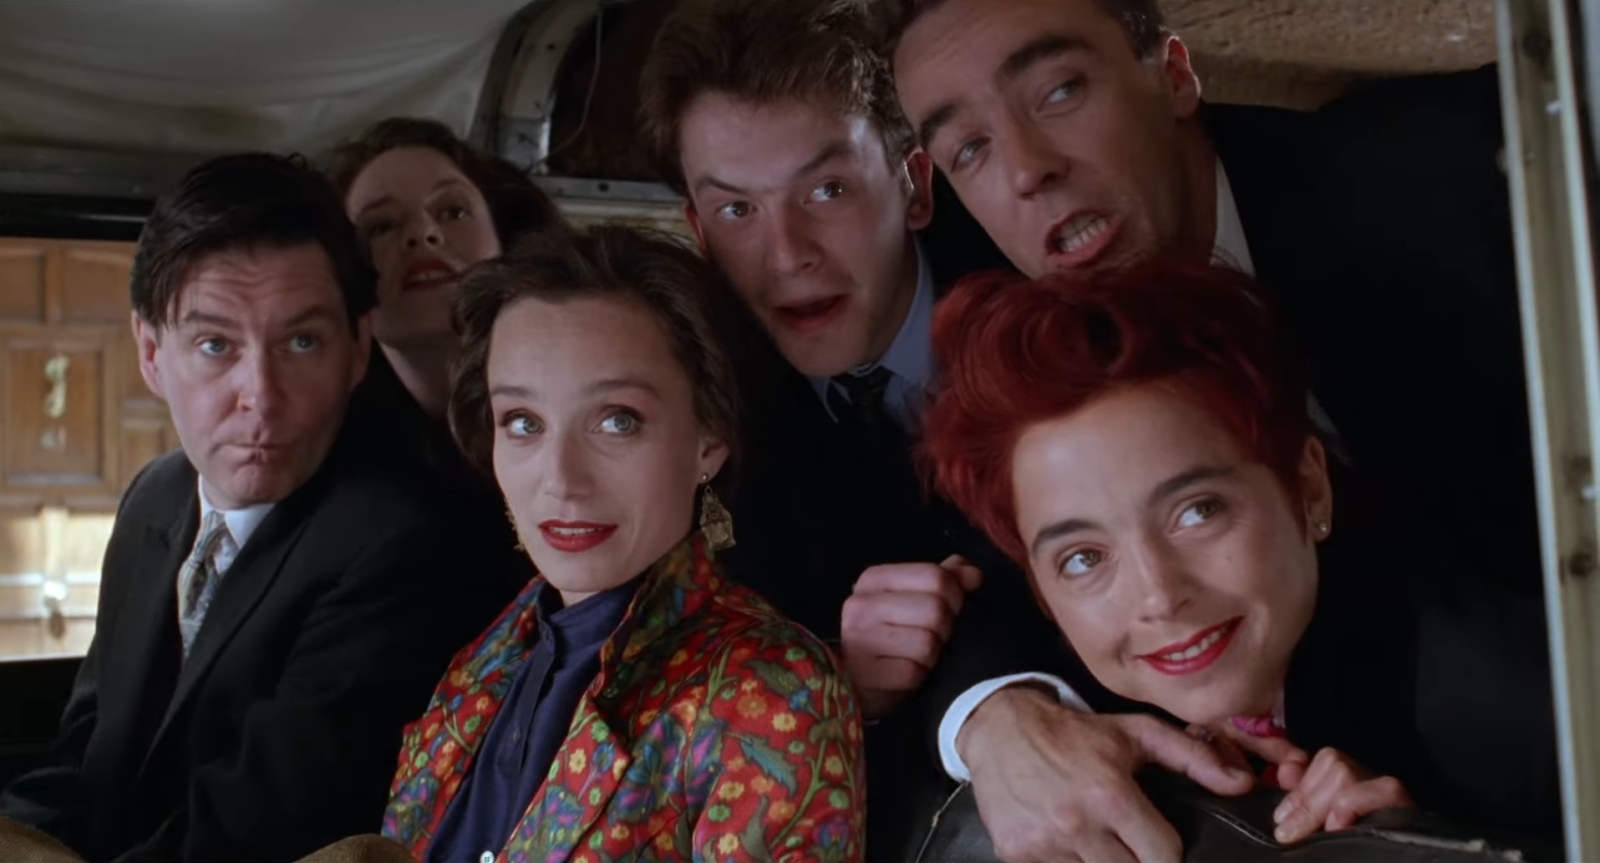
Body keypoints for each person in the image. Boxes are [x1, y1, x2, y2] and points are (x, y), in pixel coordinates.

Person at [860, 0, 1551, 857]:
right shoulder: (1009, 327)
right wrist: (994, 716)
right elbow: (990, 562)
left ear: (1176, 73)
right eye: (969, 147)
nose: (1027, 171)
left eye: (1060, 91)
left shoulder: (1452, 186)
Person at [918, 262, 1562, 855]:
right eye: (1084, 558)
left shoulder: (1519, 711)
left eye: (1198, 511)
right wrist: (995, 723)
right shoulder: (1036, 627)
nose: (1158, 595)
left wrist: (1429, 845)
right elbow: (968, 611)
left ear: (1309, 487)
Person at [0, 153, 516, 862]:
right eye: (215, 345)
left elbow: (254, 828)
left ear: (357, 349)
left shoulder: (401, 540)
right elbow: (90, 754)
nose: (261, 398)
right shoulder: (154, 497)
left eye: (302, 342)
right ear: (150, 352)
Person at [310, 226, 864, 863]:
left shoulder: (769, 688)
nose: (561, 478)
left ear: (708, 439)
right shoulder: (485, 660)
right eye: (523, 423)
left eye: (616, 420)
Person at [637, 0, 1022, 849]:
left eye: (827, 189)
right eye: (737, 211)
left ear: (916, 185)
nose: (788, 253)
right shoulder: (708, 408)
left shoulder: (1031, 294)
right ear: (697, 231)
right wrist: (833, 674)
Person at [332, 117, 566, 476]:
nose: (422, 233)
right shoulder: (328, 451)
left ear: (504, 239)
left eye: (454, 212)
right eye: (381, 226)